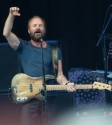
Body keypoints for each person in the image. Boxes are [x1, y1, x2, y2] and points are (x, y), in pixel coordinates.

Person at [3, 7, 75, 125]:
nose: (38, 28)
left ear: (44, 29)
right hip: (29, 99)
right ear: (29, 30)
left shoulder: (55, 50)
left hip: (49, 99)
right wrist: (11, 15)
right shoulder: (23, 46)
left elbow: (60, 75)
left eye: (40, 25)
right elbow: (6, 33)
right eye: (34, 25)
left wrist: (67, 84)